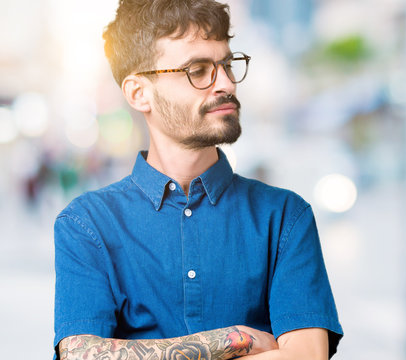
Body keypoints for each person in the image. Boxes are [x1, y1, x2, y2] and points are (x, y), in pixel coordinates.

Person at [53, 0, 343, 359]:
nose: (225, 83)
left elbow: (305, 356)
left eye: (226, 64)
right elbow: (80, 355)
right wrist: (238, 338)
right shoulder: (86, 224)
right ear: (138, 93)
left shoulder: (284, 216)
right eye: (198, 69)